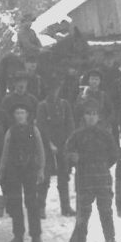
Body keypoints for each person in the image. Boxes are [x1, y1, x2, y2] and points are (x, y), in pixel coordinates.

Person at [63, 98, 121, 242]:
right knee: (83, 212)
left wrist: (102, 165)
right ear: (83, 116)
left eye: (94, 114)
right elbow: (68, 152)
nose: (91, 117)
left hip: (103, 178)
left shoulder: (106, 135)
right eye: (88, 114)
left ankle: (110, 239)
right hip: (84, 178)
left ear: (99, 117)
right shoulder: (77, 135)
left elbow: (114, 154)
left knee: (106, 210)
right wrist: (73, 157)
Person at [0, 105, 47, 242]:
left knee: (32, 203)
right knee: (15, 202)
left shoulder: (33, 130)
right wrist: (1, 172)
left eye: (22, 112)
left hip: (30, 170)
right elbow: (5, 153)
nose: (20, 115)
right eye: (17, 113)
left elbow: (40, 150)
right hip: (13, 171)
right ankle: (18, 236)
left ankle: (36, 236)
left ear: (27, 115)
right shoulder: (10, 132)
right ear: (14, 115)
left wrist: (41, 169)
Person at [36, 80, 76, 217]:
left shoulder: (64, 105)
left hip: (63, 144)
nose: (54, 92)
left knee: (64, 176)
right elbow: (41, 127)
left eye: (57, 89)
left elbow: (70, 123)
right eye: (51, 89)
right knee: (45, 177)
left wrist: (68, 142)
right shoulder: (42, 106)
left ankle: (66, 207)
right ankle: (40, 207)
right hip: (47, 147)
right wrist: (49, 144)